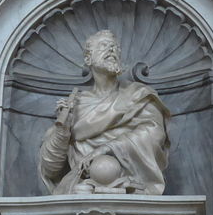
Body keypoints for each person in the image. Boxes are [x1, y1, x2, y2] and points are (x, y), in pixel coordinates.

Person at [38, 29, 171, 195]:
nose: (111, 49)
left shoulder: (138, 95)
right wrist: (63, 131)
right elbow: (50, 168)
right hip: (82, 186)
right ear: (88, 59)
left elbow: (154, 134)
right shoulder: (74, 106)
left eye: (115, 47)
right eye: (103, 45)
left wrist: (107, 148)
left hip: (132, 185)